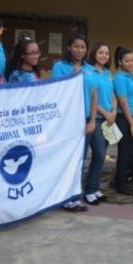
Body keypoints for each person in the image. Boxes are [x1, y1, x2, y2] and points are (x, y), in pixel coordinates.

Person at [51, 33, 97, 212]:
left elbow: (94, 95)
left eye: (83, 47)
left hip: (84, 118)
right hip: (67, 119)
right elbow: (56, 91)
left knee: (80, 159)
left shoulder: (90, 69)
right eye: (76, 46)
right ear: (69, 47)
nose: (79, 50)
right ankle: (63, 196)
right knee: (66, 158)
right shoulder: (60, 66)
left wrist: (92, 120)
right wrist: (73, 76)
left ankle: (75, 196)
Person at [82, 42, 116, 205]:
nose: (104, 56)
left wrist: (114, 112)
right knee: (100, 154)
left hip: (109, 119)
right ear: (94, 53)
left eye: (107, 53)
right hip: (96, 117)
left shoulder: (108, 73)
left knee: (100, 157)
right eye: (100, 52)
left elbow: (113, 94)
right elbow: (92, 97)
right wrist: (106, 113)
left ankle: (95, 188)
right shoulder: (88, 71)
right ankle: (88, 190)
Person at [113, 47, 133, 195]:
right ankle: (122, 185)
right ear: (120, 62)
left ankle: (119, 178)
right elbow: (123, 103)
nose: (131, 63)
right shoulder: (119, 78)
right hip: (124, 118)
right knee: (125, 152)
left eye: (132, 60)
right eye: (127, 60)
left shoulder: (132, 75)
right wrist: (132, 124)